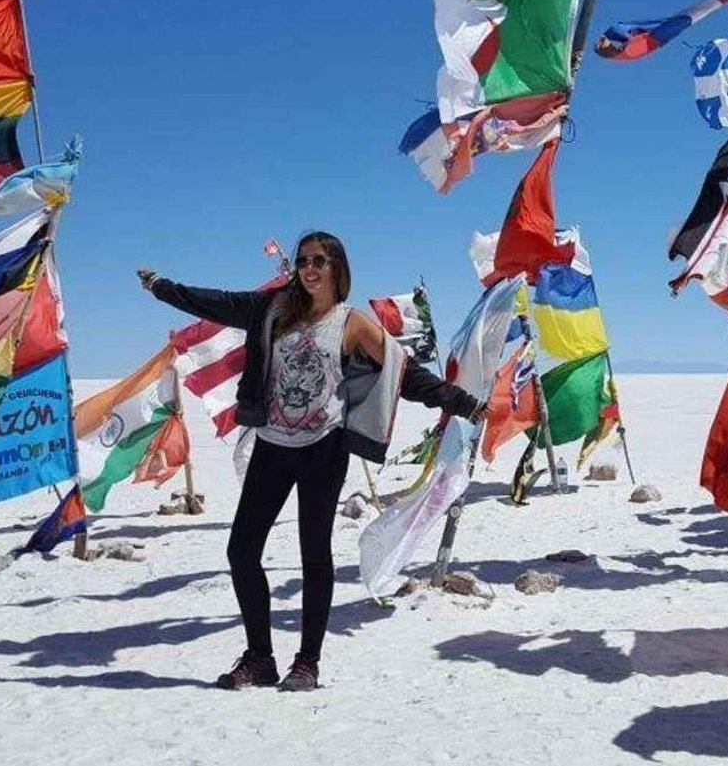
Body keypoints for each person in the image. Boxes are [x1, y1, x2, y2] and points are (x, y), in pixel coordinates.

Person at [138, 231, 485, 692]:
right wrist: (164, 287)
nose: (309, 268)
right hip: (272, 444)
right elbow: (216, 303)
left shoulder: (352, 323)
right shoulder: (272, 309)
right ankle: (259, 658)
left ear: (337, 268)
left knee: (313, 554)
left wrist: (462, 402)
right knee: (241, 550)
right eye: (303, 260)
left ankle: (307, 663)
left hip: (324, 448)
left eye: (319, 260)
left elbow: (404, 374)